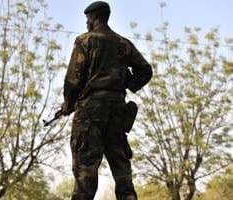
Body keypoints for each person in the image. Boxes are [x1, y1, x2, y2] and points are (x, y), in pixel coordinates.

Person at [61, 1, 152, 199]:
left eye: (88, 18)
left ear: (95, 18)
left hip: (89, 113)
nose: (86, 22)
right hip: (117, 113)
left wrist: (68, 103)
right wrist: (125, 83)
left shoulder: (85, 41)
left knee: (85, 177)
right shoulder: (123, 43)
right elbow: (145, 71)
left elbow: (73, 79)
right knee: (123, 175)